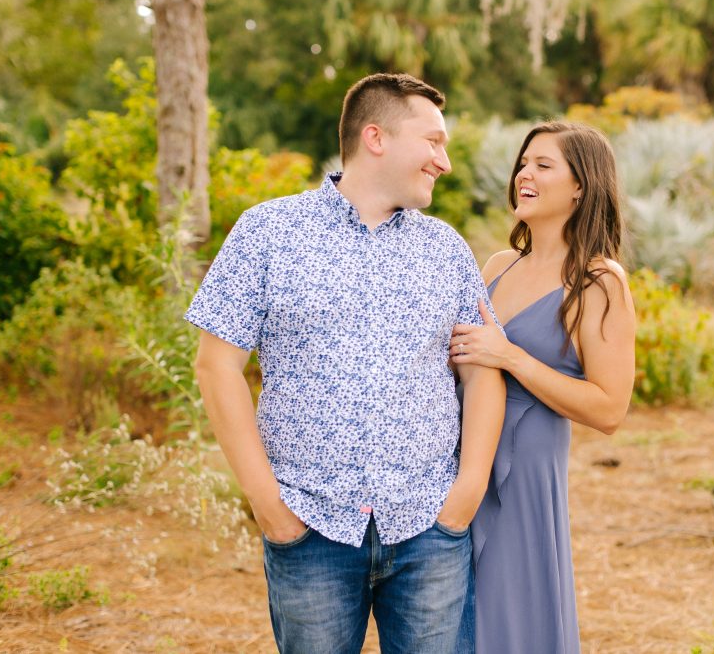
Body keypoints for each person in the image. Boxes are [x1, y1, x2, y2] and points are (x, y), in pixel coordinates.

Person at [186, 73, 506, 654]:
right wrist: (269, 504)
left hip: (429, 526)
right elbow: (216, 367)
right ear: (376, 137)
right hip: (308, 527)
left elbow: (482, 371)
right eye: (433, 142)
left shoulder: (446, 249)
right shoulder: (267, 232)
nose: (445, 161)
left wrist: (466, 495)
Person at [450, 122, 636, 653]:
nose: (524, 174)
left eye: (543, 165)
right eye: (523, 163)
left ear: (581, 185)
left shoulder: (598, 282)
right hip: (459, 460)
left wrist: (511, 357)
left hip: (526, 471)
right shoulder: (498, 265)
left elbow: (609, 409)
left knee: (512, 616)